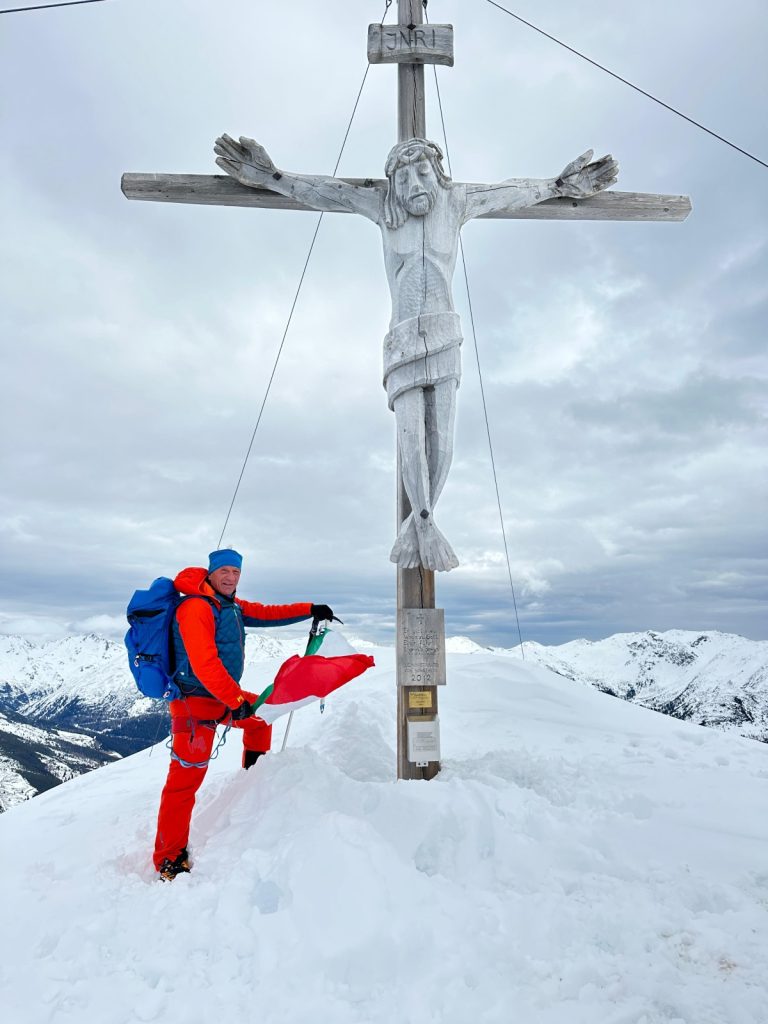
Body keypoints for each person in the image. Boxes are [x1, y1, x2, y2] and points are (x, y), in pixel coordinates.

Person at [214, 133, 618, 572]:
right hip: (404, 338)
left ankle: (422, 522)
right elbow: (326, 191)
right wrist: (271, 176)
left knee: (442, 440)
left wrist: (559, 186)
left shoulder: (456, 202)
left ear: (438, 174)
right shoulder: (383, 207)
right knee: (410, 440)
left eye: (422, 173)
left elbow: (512, 192)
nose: (413, 185)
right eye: (402, 178)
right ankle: (421, 522)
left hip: (445, 333)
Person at [153, 547, 333, 881]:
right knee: (183, 784)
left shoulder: (230, 606)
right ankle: (168, 857)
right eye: (224, 572)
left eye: (236, 573)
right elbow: (205, 665)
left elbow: (267, 613)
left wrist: (310, 609)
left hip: (221, 698)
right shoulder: (196, 607)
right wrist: (235, 701)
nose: (230, 578)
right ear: (211, 573)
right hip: (194, 706)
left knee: (262, 719)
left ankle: (251, 785)